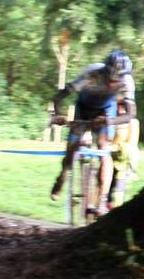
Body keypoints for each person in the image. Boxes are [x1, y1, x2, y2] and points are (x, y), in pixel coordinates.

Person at [50, 50, 136, 216]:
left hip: (106, 111)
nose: (113, 83)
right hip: (83, 108)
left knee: (105, 149)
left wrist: (108, 121)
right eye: (110, 78)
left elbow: (130, 115)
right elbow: (59, 97)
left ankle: (102, 200)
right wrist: (57, 114)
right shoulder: (92, 74)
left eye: (117, 80)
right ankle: (63, 174)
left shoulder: (127, 82)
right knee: (72, 147)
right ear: (104, 71)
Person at [107, 96, 141, 209]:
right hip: (113, 158)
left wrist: (113, 147)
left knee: (118, 187)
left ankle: (116, 209)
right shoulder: (115, 121)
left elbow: (129, 144)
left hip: (124, 159)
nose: (119, 109)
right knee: (107, 185)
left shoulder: (132, 123)